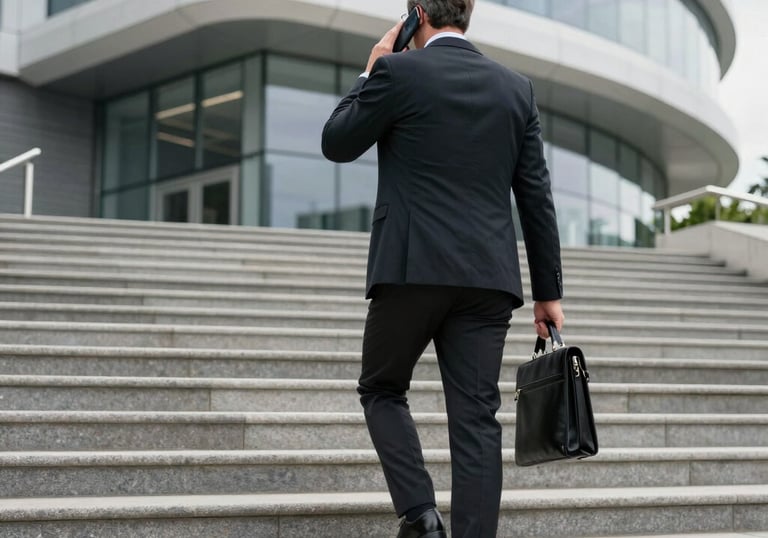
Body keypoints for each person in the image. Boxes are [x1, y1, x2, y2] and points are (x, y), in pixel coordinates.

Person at [322, 1, 564, 536]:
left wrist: (372, 65)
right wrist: (548, 293)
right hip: (487, 278)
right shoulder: (515, 88)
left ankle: (420, 514)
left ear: (417, 14)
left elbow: (337, 142)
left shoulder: (396, 71)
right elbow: (536, 198)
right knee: (477, 420)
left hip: (411, 267)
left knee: (382, 388)